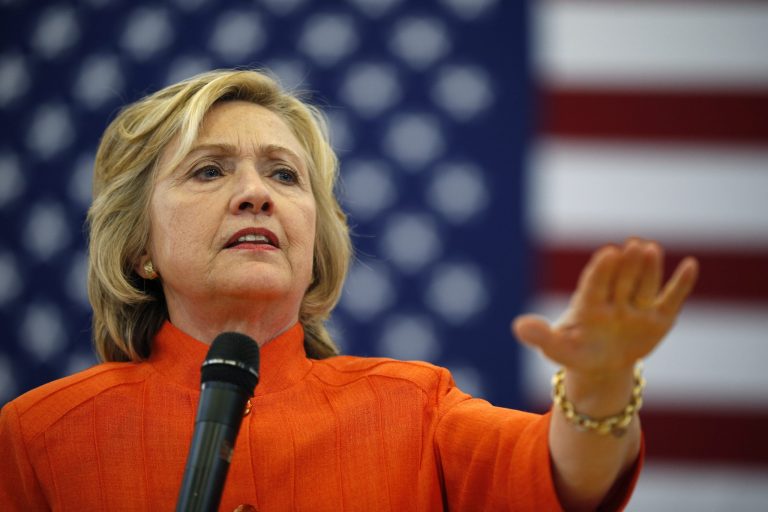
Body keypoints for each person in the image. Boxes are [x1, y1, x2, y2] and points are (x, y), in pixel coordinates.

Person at [0, 69, 698, 511]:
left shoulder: (417, 410)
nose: (254, 195)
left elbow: (564, 477)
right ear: (139, 247)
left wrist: (601, 387)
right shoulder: (36, 438)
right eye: (209, 172)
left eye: (283, 175)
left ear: (317, 247)